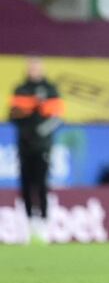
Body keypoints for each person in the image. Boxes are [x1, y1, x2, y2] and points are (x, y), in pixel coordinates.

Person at [8, 58, 64, 243]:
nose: (33, 71)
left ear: (41, 69)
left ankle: (45, 224)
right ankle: (28, 223)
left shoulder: (50, 89)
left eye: (36, 67)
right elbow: (12, 115)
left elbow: (57, 117)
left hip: (43, 147)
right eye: (31, 68)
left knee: (41, 185)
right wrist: (32, 107)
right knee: (25, 185)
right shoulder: (20, 89)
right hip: (24, 146)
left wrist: (41, 131)